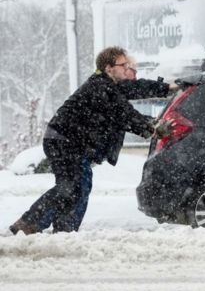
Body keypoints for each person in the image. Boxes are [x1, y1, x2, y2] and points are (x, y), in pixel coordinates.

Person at [10, 46, 178, 235]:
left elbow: (136, 87)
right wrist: (153, 128)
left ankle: (64, 230)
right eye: (123, 65)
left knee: (79, 186)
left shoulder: (112, 84)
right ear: (109, 68)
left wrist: (168, 88)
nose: (127, 68)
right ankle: (28, 224)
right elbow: (125, 114)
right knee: (72, 186)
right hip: (63, 141)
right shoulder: (101, 87)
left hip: (69, 142)